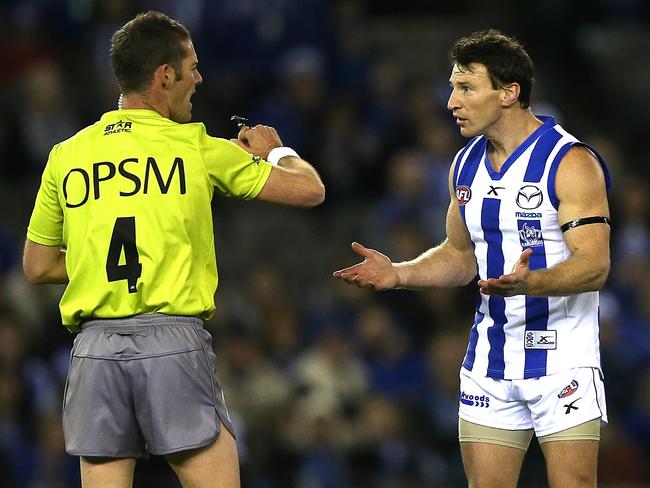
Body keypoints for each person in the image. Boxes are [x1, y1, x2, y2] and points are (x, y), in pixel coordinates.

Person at [23, 11, 324, 488]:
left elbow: (37, 267)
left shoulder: (67, 155)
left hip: (95, 350)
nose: (200, 78)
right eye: (193, 66)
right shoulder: (194, 147)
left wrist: (97, 265)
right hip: (170, 344)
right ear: (166, 76)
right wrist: (276, 152)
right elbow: (310, 191)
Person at [334, 29, 610, 488]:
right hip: (490, 362)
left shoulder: (569, 162)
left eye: (465, 88)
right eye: (452, 88)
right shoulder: (465, 165)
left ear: (508, 93)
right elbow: (461, 256)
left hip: (563, 361)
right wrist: (398, 273)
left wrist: (531, 283)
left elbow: (596, 265)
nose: (451, 103)